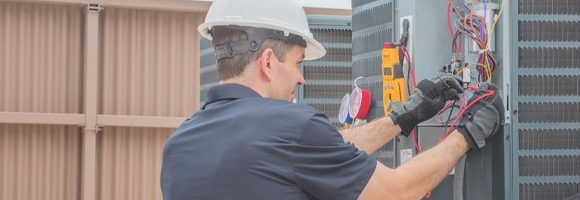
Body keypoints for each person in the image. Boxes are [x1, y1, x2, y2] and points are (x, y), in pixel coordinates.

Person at [160, 0, 505, 199]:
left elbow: (324, 147)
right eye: (297, 63)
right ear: (267, 62)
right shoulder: (291, 128)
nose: (301, 77)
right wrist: (466, 134)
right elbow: (397, 192)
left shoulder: (180, 144)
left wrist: (403, 118)